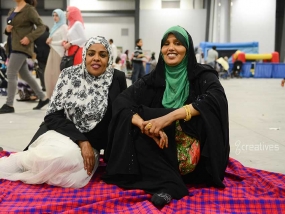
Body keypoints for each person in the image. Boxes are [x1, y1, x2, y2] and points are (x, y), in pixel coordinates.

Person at [102, 26, 229, 208]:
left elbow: (215, 99)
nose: (171, 48)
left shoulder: (202, 75)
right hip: (159, 145)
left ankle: (168, 185)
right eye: (166, 44)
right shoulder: (153, 79)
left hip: (189, 150)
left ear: (187, 48)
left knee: (156, 114)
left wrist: (168, 118)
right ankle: (169, 186)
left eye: (177, 43)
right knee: (135, 122)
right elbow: (122, 101)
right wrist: (144, 124)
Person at [0, 36, 127, 188]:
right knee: (61, 157)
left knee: (75, 179)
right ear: (85, 55)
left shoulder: (116, 78)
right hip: (61, 133)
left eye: (102, 55)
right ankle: (21, 162)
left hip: (92, 145)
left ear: (109, 58)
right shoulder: (69, 75)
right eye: (91, 53)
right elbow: (52, 116)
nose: (96, 58)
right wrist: (82, 140)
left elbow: (122, 113)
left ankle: (39, 168)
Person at [0, 0, 49, 114]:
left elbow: (41, 26)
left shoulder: (29, 10)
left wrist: (29, 37)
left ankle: (9, 104)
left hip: (22, 46)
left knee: (10, 73)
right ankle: (43, 98)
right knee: (25, 74)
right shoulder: (13, 10)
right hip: (12, 45)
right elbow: (10, 27)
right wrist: (7, 30)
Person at [45, 9, 68, 99]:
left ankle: (59, 95)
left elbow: (64, 41)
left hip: (59, 52)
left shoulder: (64, 27)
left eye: (56, 15)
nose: (54, 17)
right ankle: (51, 95)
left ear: (61, 16)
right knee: (49, 73)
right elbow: (51, 38)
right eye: (53, 15)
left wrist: (51, 43)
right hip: (52, 51)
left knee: (56, 74)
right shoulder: (55, 27)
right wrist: (49, 40)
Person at [34, 25, 50, 91]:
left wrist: (35, 51)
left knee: (41, 70)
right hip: (49, 54)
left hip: (40, 54)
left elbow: (33, 45)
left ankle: (43, 85)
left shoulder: (37, 35)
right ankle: (49, 85)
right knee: (49, 70)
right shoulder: (49, 34)